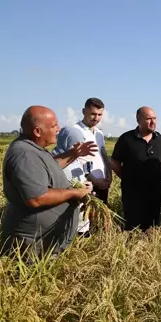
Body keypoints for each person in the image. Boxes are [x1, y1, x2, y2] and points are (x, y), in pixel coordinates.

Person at [0, 106, 95, 259]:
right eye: (53, 126)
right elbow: (36, 198)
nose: (58, 129)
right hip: (32, 245)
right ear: (37, 131)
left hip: (42, 241)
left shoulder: (34, 149)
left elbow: (49, 168)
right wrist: (75, 193)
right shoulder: (25, 154)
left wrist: (74, 154)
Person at [53, 97, 112, 236]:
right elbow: (74, 161)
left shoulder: (99, 133)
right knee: (83, 218)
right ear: (84, 111)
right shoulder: (74, 132)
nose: (96, 118)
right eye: (92, 114)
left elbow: (103, 155)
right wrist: (93, 180)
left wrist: (109, 175)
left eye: (99, 115)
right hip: (85, 184)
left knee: (98, 219)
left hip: (102, 182)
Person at [110, 106, 161, 231]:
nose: (153, 122)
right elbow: (114, 162)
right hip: (132, 193)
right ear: (139, 120)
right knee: (133, 226)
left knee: (152, 226)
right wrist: (127, 178)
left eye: (154, 118)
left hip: (154, 192)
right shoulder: (126, 139)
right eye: (149, 119)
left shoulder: (159, 138)